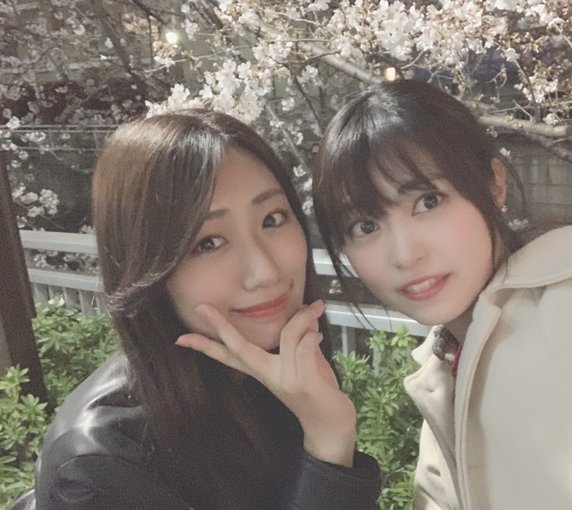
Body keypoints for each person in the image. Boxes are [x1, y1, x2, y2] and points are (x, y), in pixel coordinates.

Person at [311, 79, 572, 510]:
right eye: (365, 226)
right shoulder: (444, 382)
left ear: (494, 185)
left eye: (428, 201)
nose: (405, 254)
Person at [19, 109, 380, 510]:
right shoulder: (100, 467)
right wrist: (329, 445)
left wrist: (326, 432)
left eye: (272, 219)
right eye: (208, 243)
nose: (265, 272)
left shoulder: (276, 375)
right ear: (149, 268)